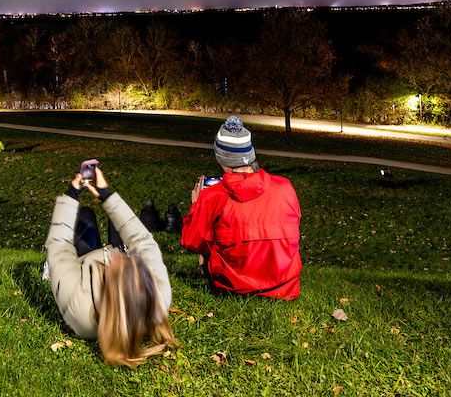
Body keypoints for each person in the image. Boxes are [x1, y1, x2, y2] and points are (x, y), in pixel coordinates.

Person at [45, 165, 176, 368]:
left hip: (84, 263)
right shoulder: (158, 299)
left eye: (119, 265)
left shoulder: (80, 311)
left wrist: (72, 194)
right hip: (109, 273)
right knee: (119, 225)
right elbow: (143, 241)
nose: (120, 258)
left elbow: (59, 248)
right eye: (133, 263)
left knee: (85, 215)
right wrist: (106, 195)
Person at [181, 116, 302, 299]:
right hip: (284, 286)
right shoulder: (285, 187)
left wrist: (196, 205)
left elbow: (192, 242)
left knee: (210, 235)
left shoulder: (212, 196)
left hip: (234, 288)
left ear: (221, 158)